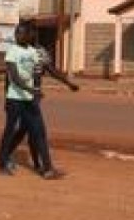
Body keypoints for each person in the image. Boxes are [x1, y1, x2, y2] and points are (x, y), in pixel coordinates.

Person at [0, 22, 66, 179]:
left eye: (20, 33)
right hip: (15, 99)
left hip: (29, 100)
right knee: (10, 131)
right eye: (16, 33)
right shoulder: (12, 51)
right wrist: (31, 90)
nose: (17, 35)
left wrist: (37, 90)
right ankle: (2, 163)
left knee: (39, 132)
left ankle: (48, 168)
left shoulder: (34, 52)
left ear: (29, 35)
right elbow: (13, 77)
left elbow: (41, 70)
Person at [4, 37, 80, 172]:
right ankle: (44, 167)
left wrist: (68, 83)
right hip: (21, 97)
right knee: (36, 131)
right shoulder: (17, 51)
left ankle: (11, 157)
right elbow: (10, 78)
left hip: (33, 97)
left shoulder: (40, 51)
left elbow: (52, 70)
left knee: (26, 130)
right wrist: (7, 99)